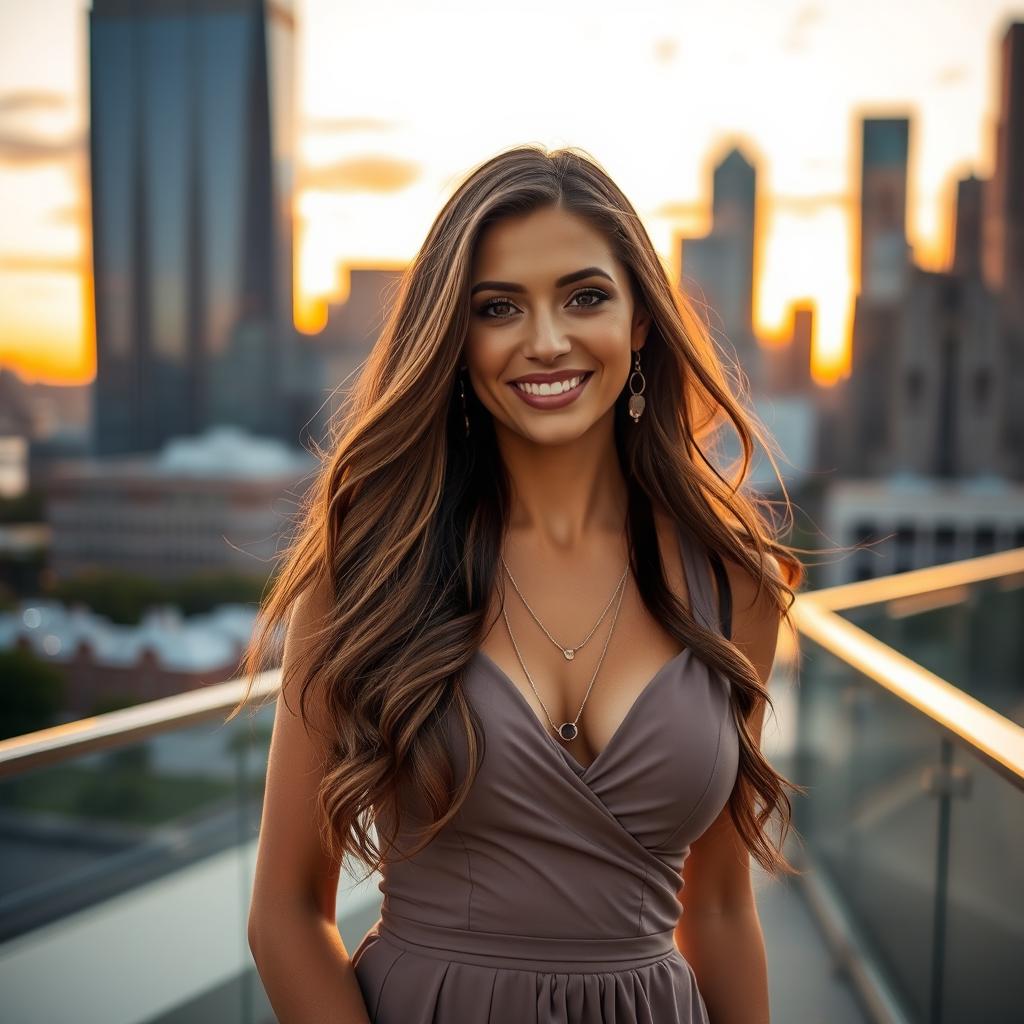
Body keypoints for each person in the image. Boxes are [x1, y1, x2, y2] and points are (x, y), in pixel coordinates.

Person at [237, 144, 806, 1024]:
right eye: (498, 307)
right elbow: (285, 913)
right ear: (457, 339)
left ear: (641, 321)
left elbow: (722, 907)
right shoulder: (372, 571)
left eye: (585, 297)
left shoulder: (738, 583)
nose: (547, 340)